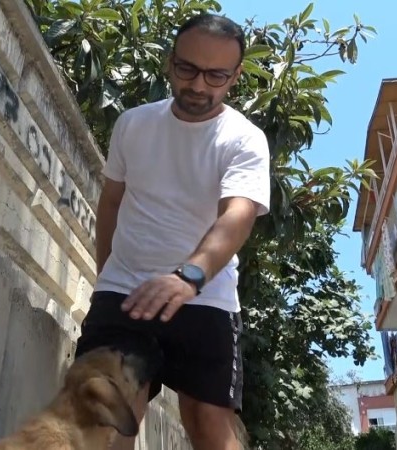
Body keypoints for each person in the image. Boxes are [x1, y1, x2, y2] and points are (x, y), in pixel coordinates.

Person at [74, 12, 271, 450]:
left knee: (208, 423)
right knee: (102, 417)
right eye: (187, 69)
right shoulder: (133, 124)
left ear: (235, 76)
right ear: (169, 61)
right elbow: (111, 201)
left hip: (206, 296)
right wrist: (107, 277)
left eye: (215, 75)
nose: (198, 85)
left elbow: (237, 214)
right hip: (125, 291)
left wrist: (189, 276)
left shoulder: (244, 138)